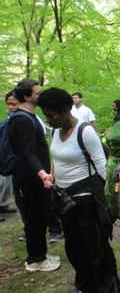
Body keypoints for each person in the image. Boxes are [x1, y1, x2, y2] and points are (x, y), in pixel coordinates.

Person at [37, 88, 120, 293]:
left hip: (87, 200)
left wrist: (114, 197)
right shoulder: (55, 130)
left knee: (96, 249)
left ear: (67, 110)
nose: (48, 120)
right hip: (65, 200)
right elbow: (56, 157)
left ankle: (108, 287)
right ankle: (84, 285)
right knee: (74, 249)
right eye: (45, 115)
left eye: (51, 115)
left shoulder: (85, 132)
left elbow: (103, 167)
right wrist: (52, 174)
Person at [8, 79, 60, 272]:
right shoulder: (21, 119)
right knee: (34, 218)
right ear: (28, 96)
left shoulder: (29, 117)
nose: (41, 95)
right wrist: (43, 174)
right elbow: (26, 152)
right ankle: (36, 260)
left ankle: (40, 254)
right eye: (38, 93)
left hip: (35, 178)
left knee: (39, 216)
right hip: (30, 179)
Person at [0, 91, 20, 223]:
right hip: (3, 155)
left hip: (11, 157)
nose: (11, 107)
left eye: (14, 104)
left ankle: (2, 204)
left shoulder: (21, 118)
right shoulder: (7, 121)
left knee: (7, 183)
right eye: (9, 104)